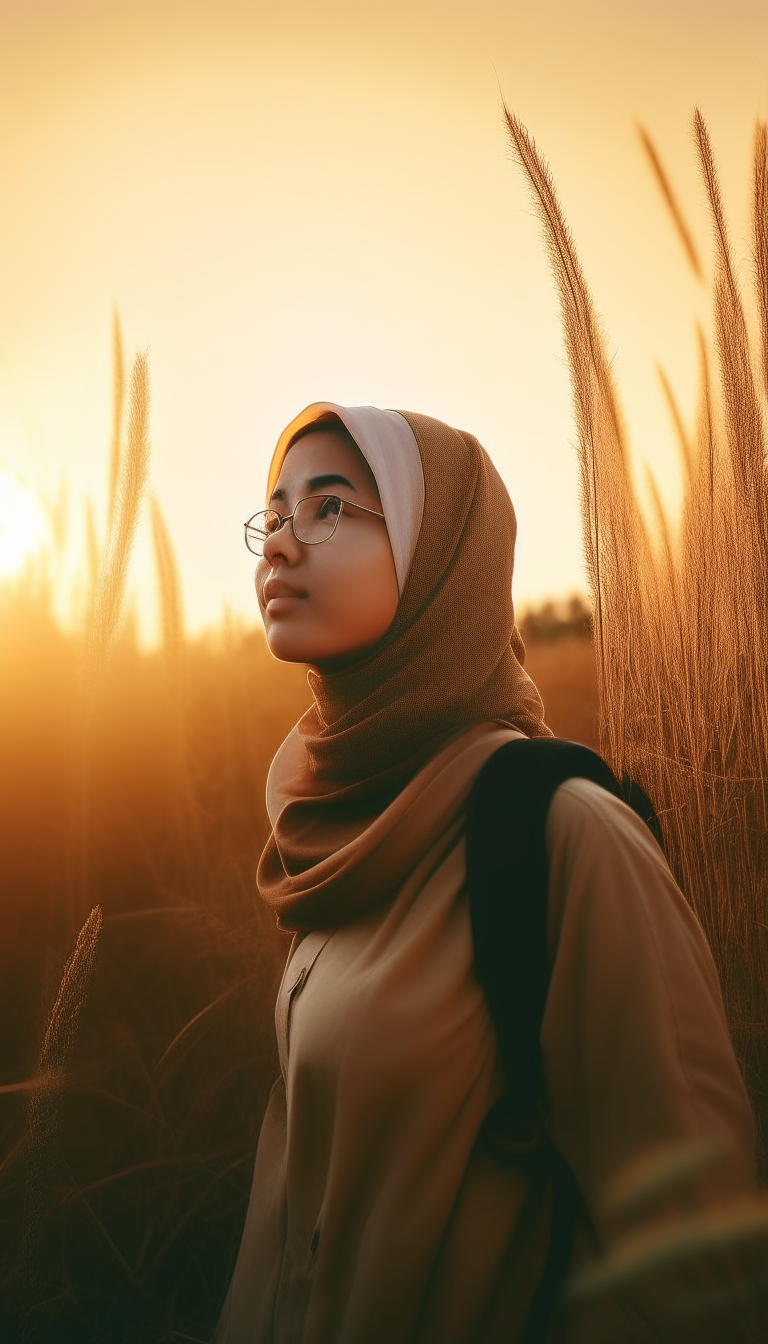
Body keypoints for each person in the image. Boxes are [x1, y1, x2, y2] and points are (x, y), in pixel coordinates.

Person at [213, 403, 760, 1344]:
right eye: (275, 513)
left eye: (332, 507)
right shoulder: (332, 830)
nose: (281, 546)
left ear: (442, 557)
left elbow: (696, 1275)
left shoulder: (562, 835)